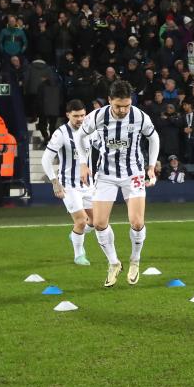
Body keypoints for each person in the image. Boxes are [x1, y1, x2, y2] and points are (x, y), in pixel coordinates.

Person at [76, 80, 160, 287]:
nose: (123, 110)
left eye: (126, 105)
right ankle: (114, 263)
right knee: (98, 223)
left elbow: (154, 138)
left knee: (137, 222)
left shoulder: (139, 116)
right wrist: (83, 163)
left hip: (133, 174)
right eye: (118, 106)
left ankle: (135, 260)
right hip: (105, 174)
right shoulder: (98, 116)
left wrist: (150, 166)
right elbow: (80, 136)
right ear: (109, 101)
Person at [41, 100, 97, 265]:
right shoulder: (61, 133)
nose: (80, 119)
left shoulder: (90, 130)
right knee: (80, 221)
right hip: (69, 185)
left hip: (88, 184)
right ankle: (79, 255)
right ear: (68, 115)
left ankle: (75, 235)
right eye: (76, 116)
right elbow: (46, 159)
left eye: (82, 115)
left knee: (95, 222)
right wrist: (54, 181)